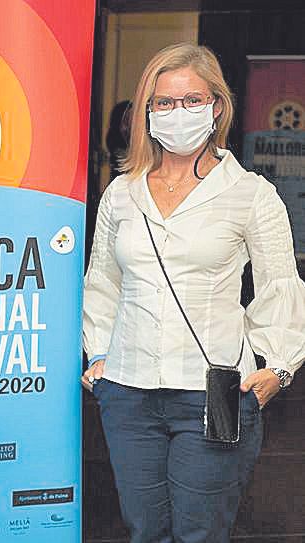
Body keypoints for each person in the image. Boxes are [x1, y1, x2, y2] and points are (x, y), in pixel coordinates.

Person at [81, 43, 305, 543]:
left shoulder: (250, 193)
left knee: (199, 533)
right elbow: (103, 284)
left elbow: (280, 285)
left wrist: (278, 366)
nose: (176, 114)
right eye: (163, 103)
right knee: (145, 530)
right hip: (128, 392)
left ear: (216, 106)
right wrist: (99, 355)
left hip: (213, 393)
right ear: (146, 111)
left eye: (191, 101)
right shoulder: (122, 193)